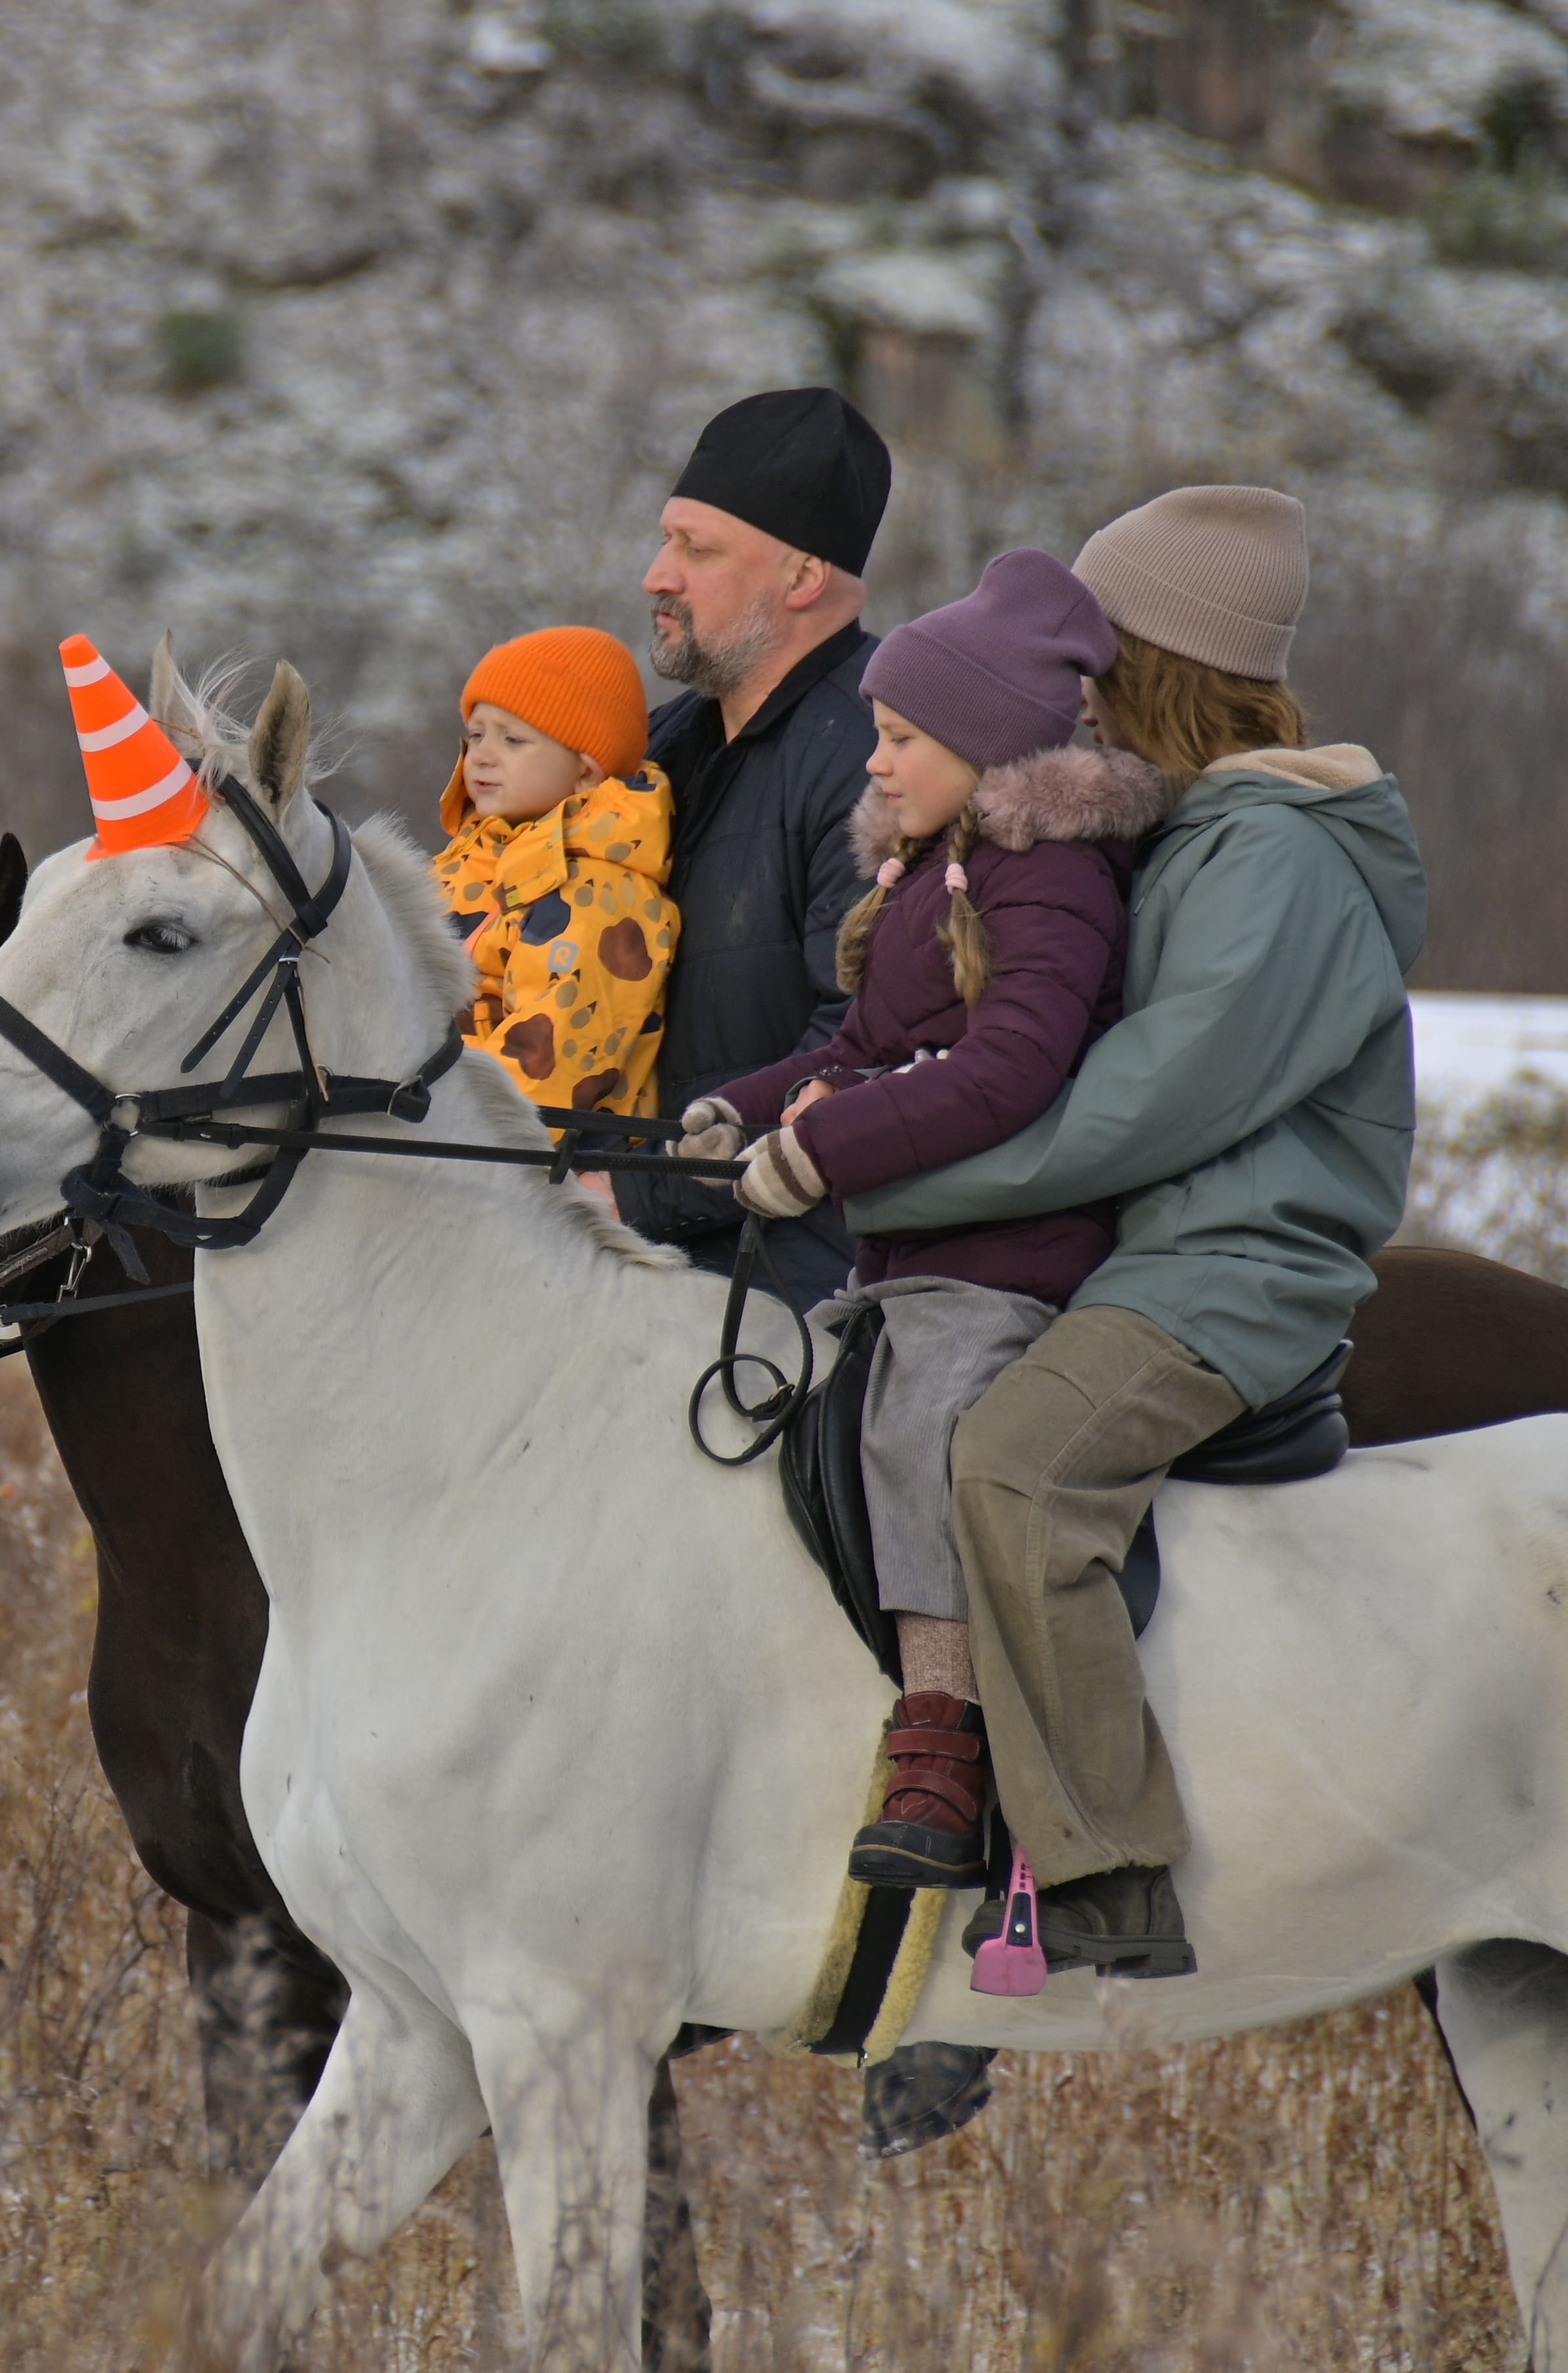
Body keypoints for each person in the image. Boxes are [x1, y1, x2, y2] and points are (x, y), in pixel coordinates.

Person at [828, 486, 1426, 1979]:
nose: (1066, 695)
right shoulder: (1178, 835)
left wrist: (876, 1183)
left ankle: (1100, 1867)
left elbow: (1140, 1109)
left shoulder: (1276, 860)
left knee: (1016, 1465)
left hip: (1230, 1262)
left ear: (1154, 666)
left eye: (1097, 660)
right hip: (1135, 1245)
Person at [675, 550, 1171, 1892]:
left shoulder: (1050, 885)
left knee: (917, 1425)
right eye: (879, 738)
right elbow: (871, 1046)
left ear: (988, 749)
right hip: (907, 1253)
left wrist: (818, 1150)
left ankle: (944, 1735)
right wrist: (741, 1108)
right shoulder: (930, 876)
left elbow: (1006, 1073)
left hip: (1006, 1264)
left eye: (901, 740)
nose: (875, 764)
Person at [612, 388, 892, 1305]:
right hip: (646, 1246)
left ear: (803, 577)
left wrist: (632, 1190)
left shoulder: (875, 758)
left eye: (698, 550)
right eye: (667, 540)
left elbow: (859, 1048)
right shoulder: (658, 749)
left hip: (790, 1282)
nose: (658, 573)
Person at [431, 627, 682, 1116]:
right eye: (478, 733)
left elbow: (544, 1073)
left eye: (514, 739)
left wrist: (403, 1099)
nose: (481, 754)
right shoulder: (466, 862)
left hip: (520, 1166)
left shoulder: (604, 894)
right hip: (425, 1134)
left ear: (586, 770)